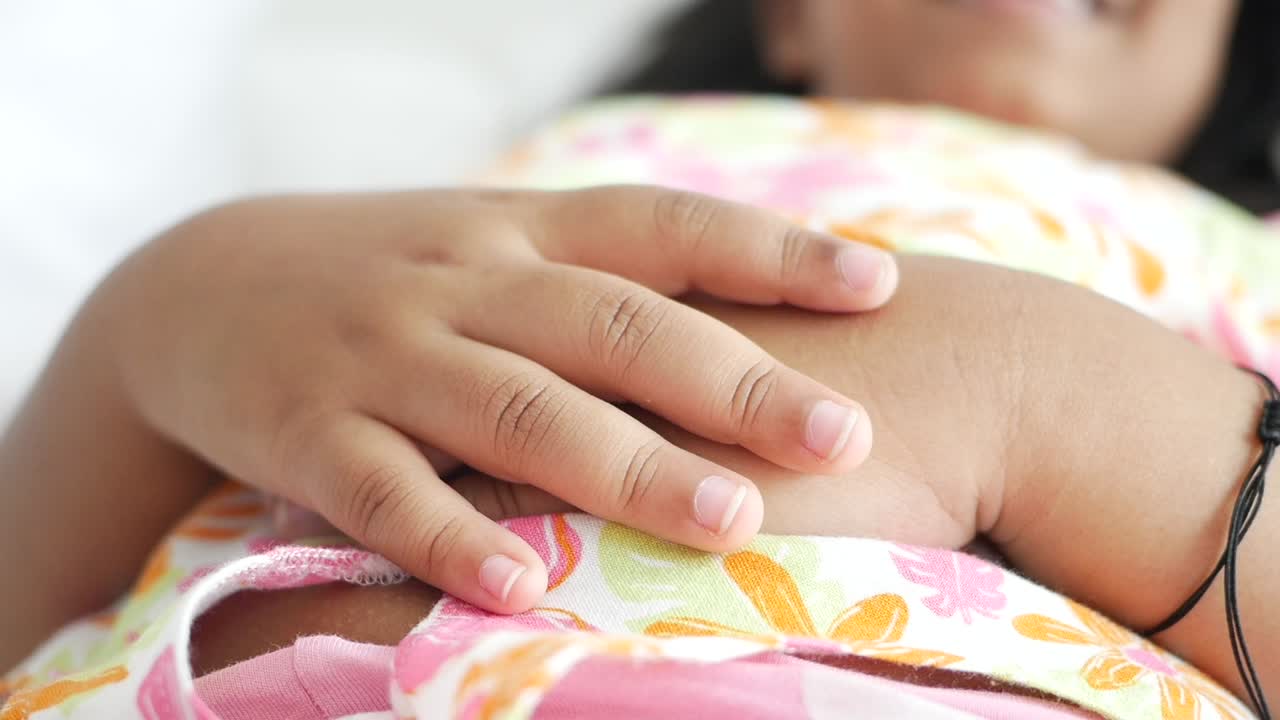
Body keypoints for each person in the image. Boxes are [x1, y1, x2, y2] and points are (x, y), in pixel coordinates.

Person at [2, 0, 1277, 717]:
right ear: (790, 19)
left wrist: (1030, 394)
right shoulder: (546, 172)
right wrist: (160, 317)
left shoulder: (1243, 261)